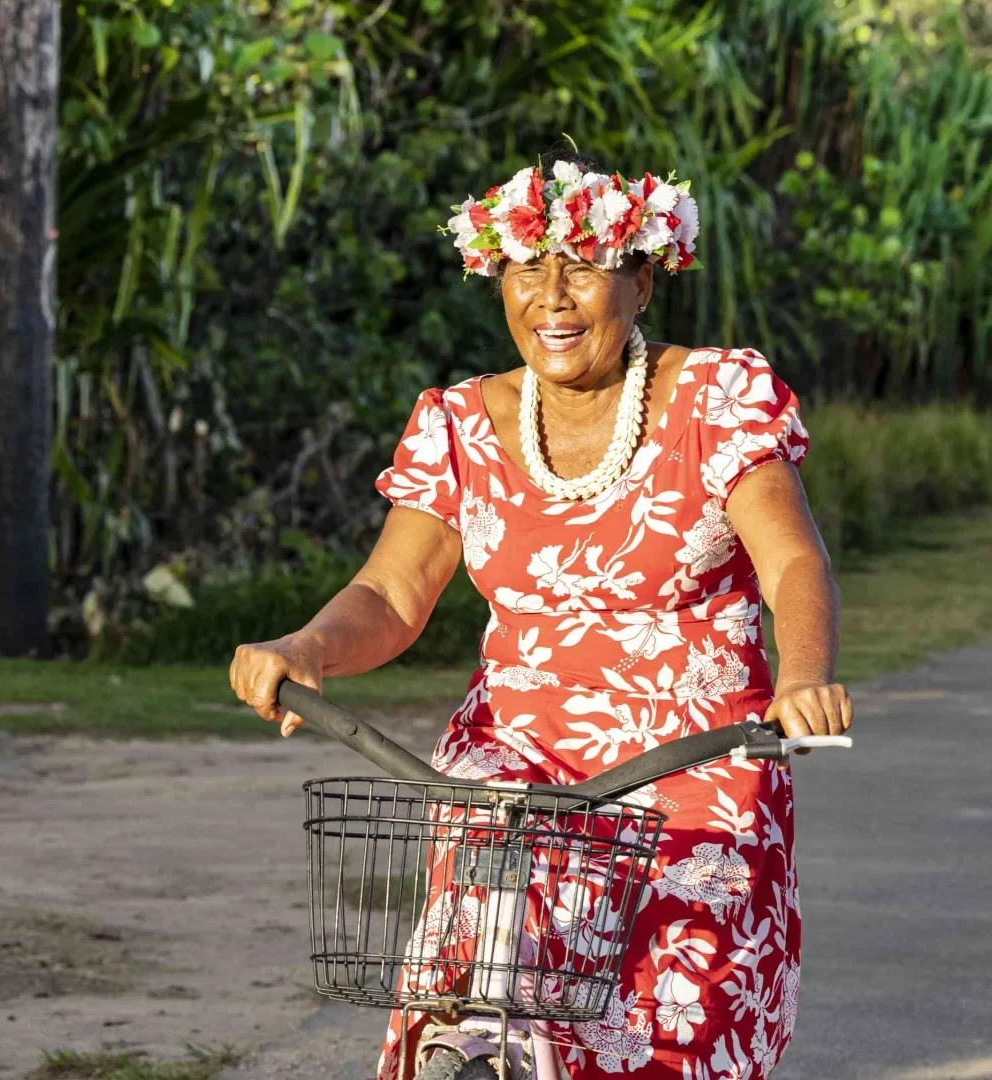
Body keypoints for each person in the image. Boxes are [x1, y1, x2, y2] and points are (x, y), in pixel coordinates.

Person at [228, 151, 852, 1079]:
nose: (552, 298)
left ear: (642, 280)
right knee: (476, 988)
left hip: (691, 759)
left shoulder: (718, 400)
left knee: (675, 1019)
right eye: (527, 269)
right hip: (518, 755)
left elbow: (793, 559)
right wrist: (305, 645)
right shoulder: (457, 423)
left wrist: (801, 677)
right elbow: (393, 594)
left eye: (584, 269)